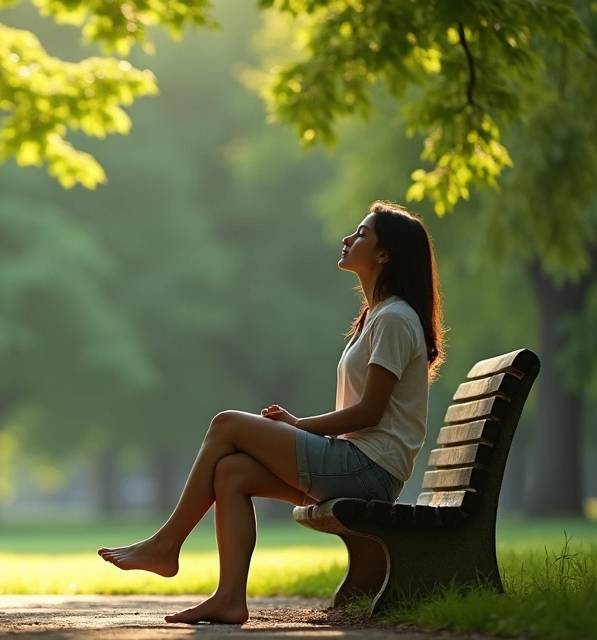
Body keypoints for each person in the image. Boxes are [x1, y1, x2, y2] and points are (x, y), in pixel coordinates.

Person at [97, 200, 446, 624]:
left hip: (368, 472)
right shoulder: (378, 317)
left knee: (225, 424)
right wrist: (305, 433)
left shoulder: (394, 319)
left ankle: (165, 545)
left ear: (384, 254)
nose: (347, 238)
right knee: (231, 472)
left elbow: (369, 413)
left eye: (361, 234)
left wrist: (300, 426)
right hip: (354, 464)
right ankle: (229, 599)